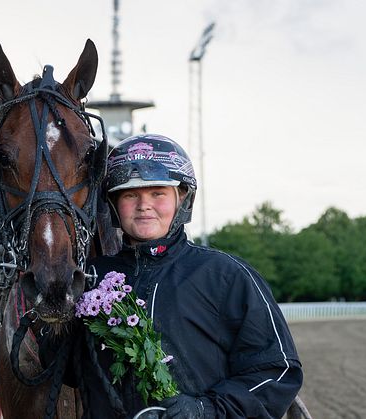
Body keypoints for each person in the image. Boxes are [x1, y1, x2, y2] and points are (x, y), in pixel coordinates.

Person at [81, 134, 302, 418]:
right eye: (130, 194)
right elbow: (70, 370)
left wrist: (206, 409)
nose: (143, 205)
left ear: (182, 196)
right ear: (113, 203)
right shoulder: (91, 278)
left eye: (157, 192)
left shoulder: (226, 275)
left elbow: (278, 370)